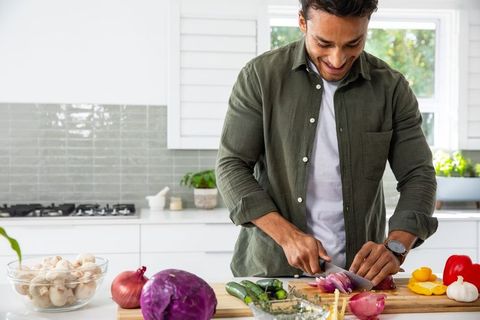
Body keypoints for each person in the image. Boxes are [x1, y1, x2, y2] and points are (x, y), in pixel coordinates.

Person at [216, 0, 438, 286]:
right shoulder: (260, 77)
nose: (337, 59)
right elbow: (231, 166)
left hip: (359, 280)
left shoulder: (391, 88)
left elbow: (419, 175)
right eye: (323, 43)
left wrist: (397, 245)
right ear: (302, 22)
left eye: (352, 43)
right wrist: (288, 236)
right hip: (272, 274)